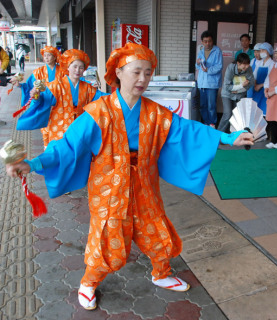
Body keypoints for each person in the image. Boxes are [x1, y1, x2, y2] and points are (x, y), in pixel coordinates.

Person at [5, 43, 254, 311]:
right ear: (119, 73)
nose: (142, 79)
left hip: (144, 184)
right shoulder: (98, 112)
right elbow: (66, 147)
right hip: (109, 189)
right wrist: (32, 163)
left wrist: (228, 137)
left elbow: (188, 130)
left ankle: (161, 273)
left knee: (156, 228)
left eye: (148, 73)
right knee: (107, 237)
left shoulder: (154, 112)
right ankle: (89, 282)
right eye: (136, 72)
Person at [16, 49, 108, 147]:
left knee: (79, 157)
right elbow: (43, 99)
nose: (77, 70)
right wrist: (36, 96)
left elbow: (103, 98)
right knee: (59, 157)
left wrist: (119, 96)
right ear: (68, 67)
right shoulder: (56, 86)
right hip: (59, 129)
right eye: (75, 66)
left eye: (81, 67)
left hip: (79, 130)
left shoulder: (88, 88)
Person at [218, 53, 254, 133]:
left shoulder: (249, 69)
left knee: (236, 115)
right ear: (238, 63)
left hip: (239, 94)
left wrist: (239, 89)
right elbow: (227, 86)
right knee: (227, 114)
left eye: (248, 64)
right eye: (244, 64)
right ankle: (219, 134)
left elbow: (251, 82)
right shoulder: (231, 68)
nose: (246, 67)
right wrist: (241, 85)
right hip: (227, 94)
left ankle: (230, 134)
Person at [196, 31, 223, 128]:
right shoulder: (201, 51)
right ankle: (206, 123)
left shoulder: (217, 51)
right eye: (205, 41)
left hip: (212, 84)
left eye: (209, 41)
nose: (207, 43)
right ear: (202, 42)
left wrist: (208, 70)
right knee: (203, 105)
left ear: (213, 41)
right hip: (202, 83)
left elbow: (219, 67)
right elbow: (197, 66)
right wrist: (198, 63)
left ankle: (212, 123)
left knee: (211, 106)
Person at [247, 42, 274, 116]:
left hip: (265, 90)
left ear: (268, 52)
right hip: (256, 89)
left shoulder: (272, 63)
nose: (261, 53)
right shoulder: (259, 63)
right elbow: (254, 74)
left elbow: (269, 77)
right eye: (260, 50)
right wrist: (255, 84)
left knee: (263, 112)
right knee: (254, 112)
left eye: (263, 50)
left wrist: (260, 85)